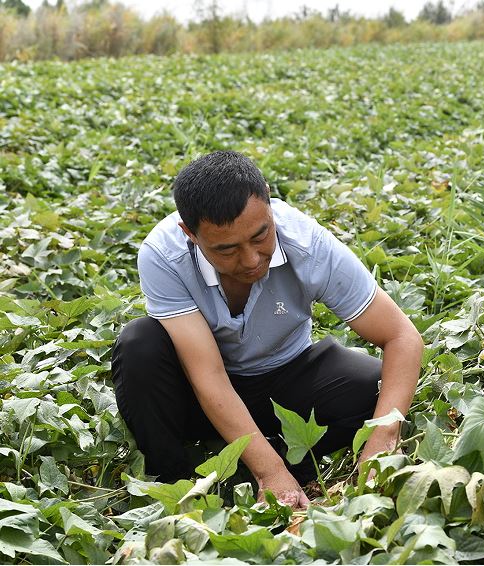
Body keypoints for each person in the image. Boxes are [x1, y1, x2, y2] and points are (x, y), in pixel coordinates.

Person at [111, 150, 423, 508]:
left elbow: (402, 336)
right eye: (226, 249)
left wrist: (383, 438)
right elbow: (208, 375)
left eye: (260, 236)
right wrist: (268, 472)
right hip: (203, 392)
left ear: (269, 201)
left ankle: (272, 453)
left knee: (375, 387)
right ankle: (174, 481)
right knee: (140, 343)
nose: (251, 260)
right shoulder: (163, 255)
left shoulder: (308, 243)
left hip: (286, 376)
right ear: (190, 234)